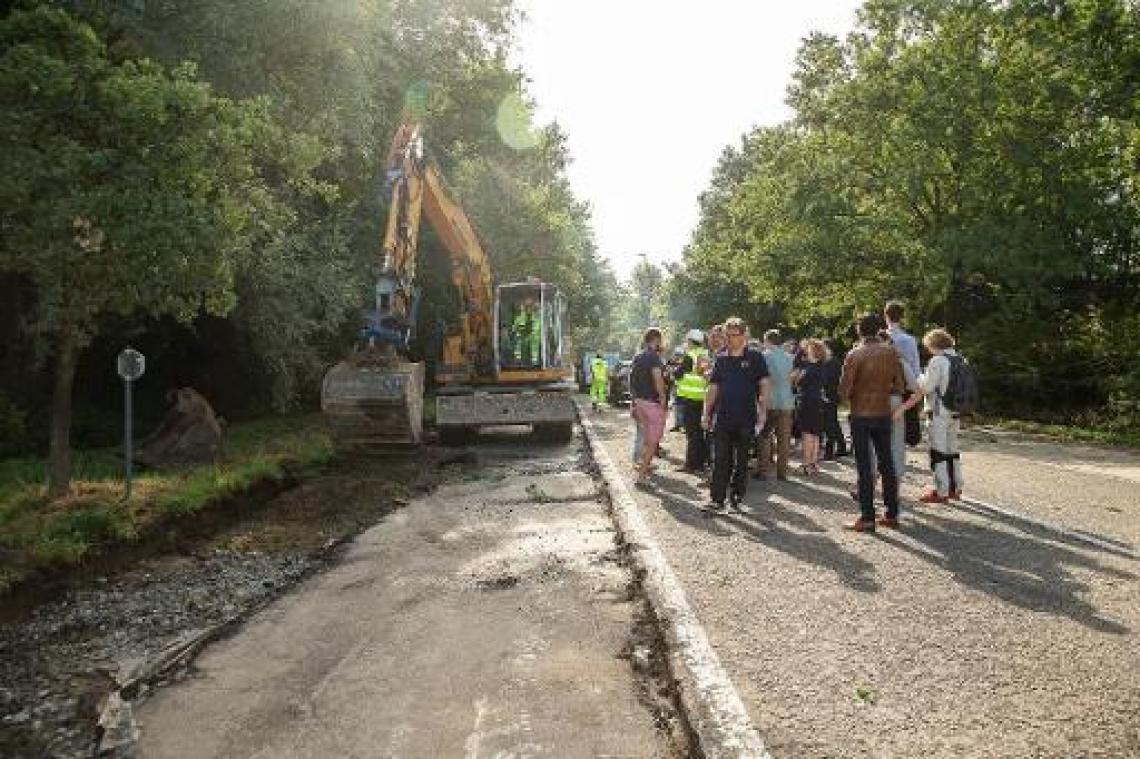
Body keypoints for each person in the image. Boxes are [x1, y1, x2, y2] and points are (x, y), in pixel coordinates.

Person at [839, 313, 906, 532]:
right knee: (887, 464)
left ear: (860, 330)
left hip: (860, 414)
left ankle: (867, 517)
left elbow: (844, 390)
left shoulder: (855, 354)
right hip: (883, 413)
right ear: (878, 329)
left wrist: (855, 394)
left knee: (865, 467)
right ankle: (892, 513)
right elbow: (899, 386)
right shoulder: (892, 352)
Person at [702, 317, 769, 511]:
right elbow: (713, 387)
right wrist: (706, 413)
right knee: (721, 460)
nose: (731, 339)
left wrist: (763, 411)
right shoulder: (721, 359)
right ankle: (717, 499)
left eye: (735, 335)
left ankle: (737, 497)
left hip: (747, 417)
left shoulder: (756, 358)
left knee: (742, 462)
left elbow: (764, 384)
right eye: (728, 335)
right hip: (723, 417)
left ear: (744, 335)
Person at [896, 328, 964, 503]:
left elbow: (926, 387)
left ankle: (941, 490)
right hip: (956, 410)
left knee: (938, 451)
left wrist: (916, 377)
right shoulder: (960, 359)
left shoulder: (938, 361)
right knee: (952, 450)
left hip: (939, 411)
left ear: (934, 345)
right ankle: (956, 487)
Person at [629, 328, 668, 486]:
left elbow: (631, 380)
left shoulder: (637, 357)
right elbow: (658, 379)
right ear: (656, 340)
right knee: (653, 442)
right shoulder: (654, 358)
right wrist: (663, 398)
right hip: (652, 403)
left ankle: (643, 466)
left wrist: (634, 400)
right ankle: (641, 476)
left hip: (639, 402)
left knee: (646, 437)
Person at [757, 329, 794, 481]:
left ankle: (763, 470)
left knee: (764, 435)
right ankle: (782, 472)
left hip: (769, 401)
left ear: (768, 341)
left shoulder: (763, 356)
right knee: (784, 439)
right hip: (786, 401)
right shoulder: (790, 357)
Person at [674, 329, 711, 473]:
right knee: (699, 433)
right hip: (702, 397)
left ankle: (690, 465)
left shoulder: (690, 356)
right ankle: (700, 464)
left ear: (690, 341)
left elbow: (678, 375)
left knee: (692, 433)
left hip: (690, 398)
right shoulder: (706, 354)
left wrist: (674, 370)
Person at [793, 339, 826, 474]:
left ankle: (806, 464)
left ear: (813, 351)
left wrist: (797, 380)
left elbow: (797, 382)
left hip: (807, 401)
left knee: (807, 433)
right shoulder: (822, 366)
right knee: (815, 433)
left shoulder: (809, 368)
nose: (806, 350)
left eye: (809, 348)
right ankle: (813, 463)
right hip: (817, 401)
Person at [820, 339, 849, 459]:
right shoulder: (829, 361)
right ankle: (841, 447)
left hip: (830, 396)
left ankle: (830, 451)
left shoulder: (832, 362)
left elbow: (828, 380)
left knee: (829, 424)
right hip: (830, 395)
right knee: (833, 423)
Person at [511, 297, 538, 367]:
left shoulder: (538, 319)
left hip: (536, 363)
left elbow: (538, 334)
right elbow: (513, 331)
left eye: (530, 306)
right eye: (526, 306)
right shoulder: (518, 319)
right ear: (523, 307)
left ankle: (534, 361)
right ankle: (519, 362)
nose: (528, 309)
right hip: (520, 361)